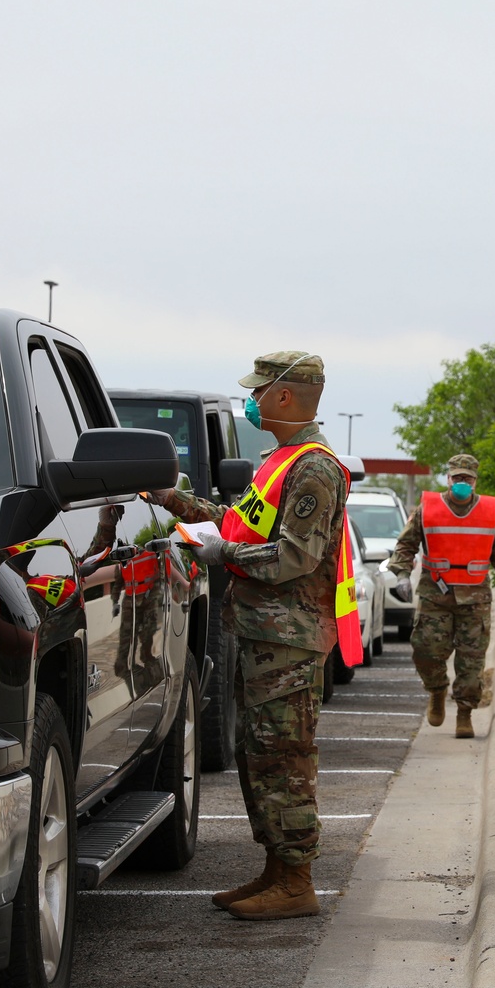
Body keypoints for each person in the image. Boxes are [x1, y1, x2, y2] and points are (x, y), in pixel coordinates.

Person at [147, 351, 360, 921]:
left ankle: (296, 881)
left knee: (284, 757)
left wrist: (225, 554)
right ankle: (276, 868)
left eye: (259, 391)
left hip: (287, 641)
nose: (252, 400)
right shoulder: (280, 462)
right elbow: (237, 521)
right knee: (258, 754)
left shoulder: (313, 468)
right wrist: (175, 501)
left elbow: (295, 555)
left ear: (284, 397)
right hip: (265, 635)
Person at [387, 453, 495, 740]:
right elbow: (405, 545)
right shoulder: (428, 508)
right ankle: (436, 691)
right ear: (448, 479)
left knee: (471, 661)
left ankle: (464, 713)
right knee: (426, 651)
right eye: (457, 477)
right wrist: (400, 575)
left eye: (467, 478)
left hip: (476, 599)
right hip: (435, 595)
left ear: (475, 481)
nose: (462, 482)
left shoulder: (490, 511)